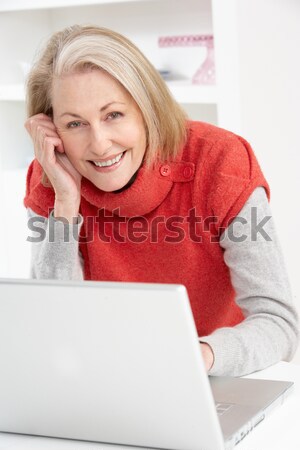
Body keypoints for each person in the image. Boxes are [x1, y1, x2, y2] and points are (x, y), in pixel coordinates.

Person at [24, 24, 299, 377]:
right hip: (103, 377)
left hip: (218, 376)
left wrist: (201, 356)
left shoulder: (221, 162)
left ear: (147, 108)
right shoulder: (52, 174)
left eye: (113, 115)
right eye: (75, 124)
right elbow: (54, 326)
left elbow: (278, 322)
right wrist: (64, 201)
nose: (100, 144)